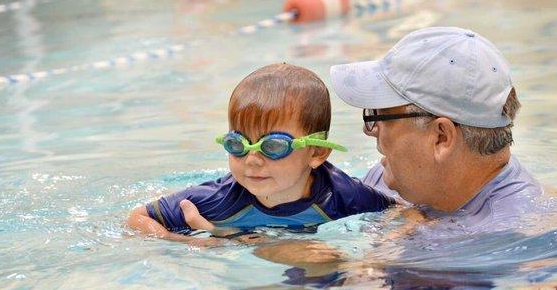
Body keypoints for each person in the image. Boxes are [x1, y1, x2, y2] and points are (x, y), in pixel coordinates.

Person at [127, 63, 394, 242]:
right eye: (237, 145)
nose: (252, 160)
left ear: (316, 153)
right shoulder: (219, 200)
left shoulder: (343, 196)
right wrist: (193, 245)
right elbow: (137, 218)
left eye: (273, 146)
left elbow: (401, 215)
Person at [329, 26, 544, 233]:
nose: (371, 130)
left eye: (381, 115)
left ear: (441, 137)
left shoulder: (510, 234)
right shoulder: (396, 177)